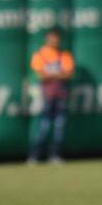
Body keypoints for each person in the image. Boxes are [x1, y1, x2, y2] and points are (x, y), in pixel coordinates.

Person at [27, 26, 74, 164]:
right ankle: (35, 156)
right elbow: (41, 75)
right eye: (51, 37)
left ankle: (55, 156)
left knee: (59, 127)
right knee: (43, 126)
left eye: (56, 37)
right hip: (46, 96)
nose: (54, 40)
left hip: (60, 96)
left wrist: (51, 74)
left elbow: (68, 74)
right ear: (46, 38)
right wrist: (57, 74)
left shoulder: (64, 55)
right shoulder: (40, 54)